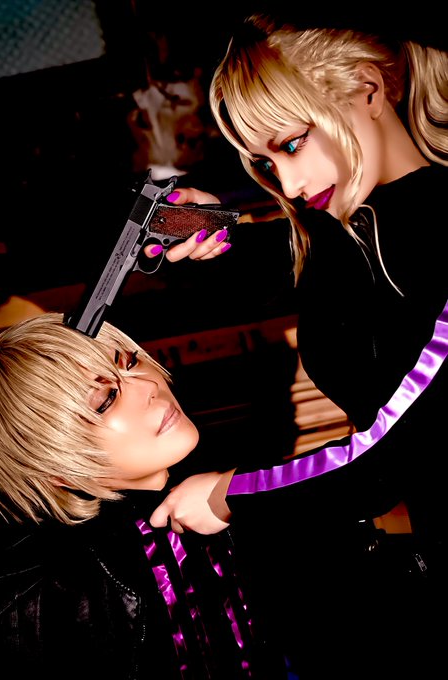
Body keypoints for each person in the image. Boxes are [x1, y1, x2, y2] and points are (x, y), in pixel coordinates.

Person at [143, 12, 448, 680]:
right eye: (264, 161)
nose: (285, 183)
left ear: (368, 88)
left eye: (290, 144)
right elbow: (311, 266)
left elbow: (388, 456)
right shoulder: (357, 223)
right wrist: (202, 225)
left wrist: (231, 495)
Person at [0, 313, 288, 680]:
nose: (148, 385)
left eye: (130, 362)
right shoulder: (41, 595)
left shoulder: (228, 480)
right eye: (105, 400)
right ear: (53, 462)